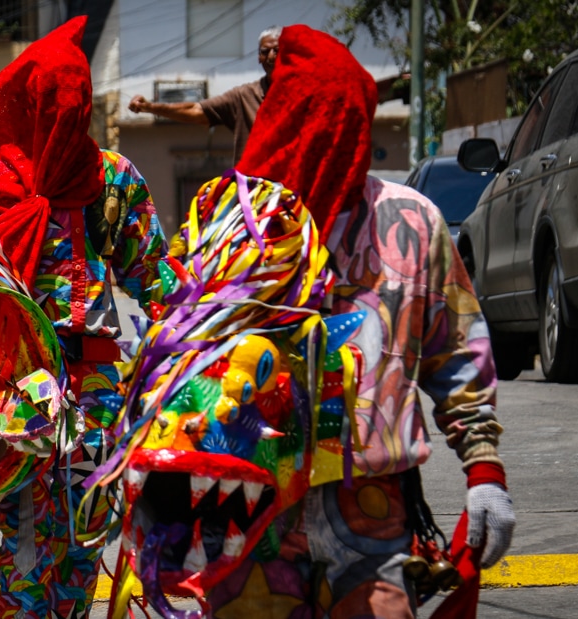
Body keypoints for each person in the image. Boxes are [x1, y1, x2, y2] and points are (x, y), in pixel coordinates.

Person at [200, 25, 515, 618]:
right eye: (311, 118)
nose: (326, 137)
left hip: (373, 514)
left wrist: (484, 471)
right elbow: (185, 366)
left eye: (342, 120)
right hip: (255, 508)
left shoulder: (412, 222)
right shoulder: (233, 227)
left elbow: (456, 353)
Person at [0, 17, 166, 619]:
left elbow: (155, 281)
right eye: (53, 104)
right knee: (25, 546)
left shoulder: (112, 181)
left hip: (98, 399)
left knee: (83, 541)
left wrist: (186, 365)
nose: (64, 118)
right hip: (16, 394)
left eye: (74, 106)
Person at [128, 26, 280, 161]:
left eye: (277, 50)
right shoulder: (244, 96)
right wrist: (149, 107)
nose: (271, 57)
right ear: (258, 57)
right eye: (265, 51)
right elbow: (196, 110)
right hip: (254, 182)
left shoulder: (296, 96)